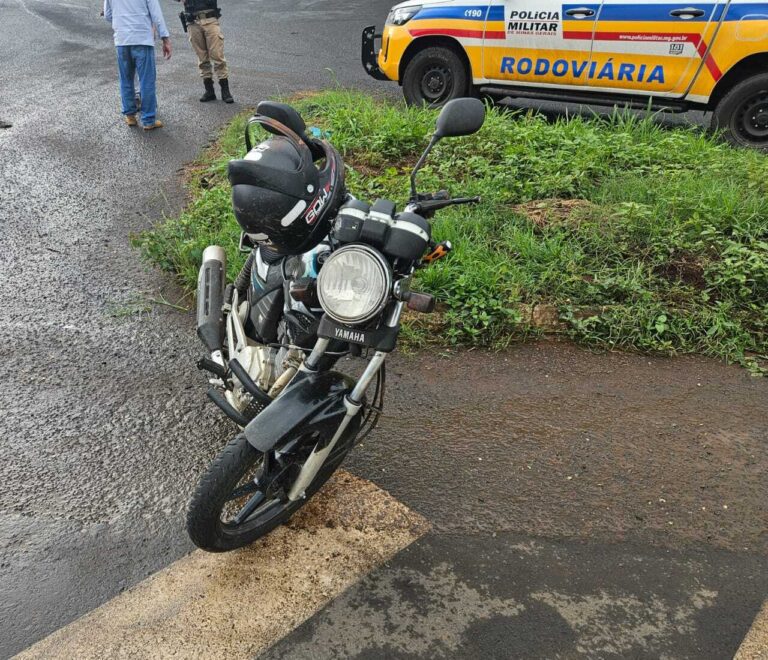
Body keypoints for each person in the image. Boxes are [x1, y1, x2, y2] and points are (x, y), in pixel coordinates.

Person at [104, 0, 172, 130]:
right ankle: (148, 119)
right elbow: (156, 15)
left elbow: (108, 14)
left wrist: (122, 22)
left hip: (122, 40)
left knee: (126, 79)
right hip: (142, 38)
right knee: (146, 80)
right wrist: (165, 38)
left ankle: (130, 116)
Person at [177, 0, 233, 103]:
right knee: (202, 58)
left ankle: (225, 91)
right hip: (192, 22)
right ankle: (209, 91)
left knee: (217, 56)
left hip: (210, 20)